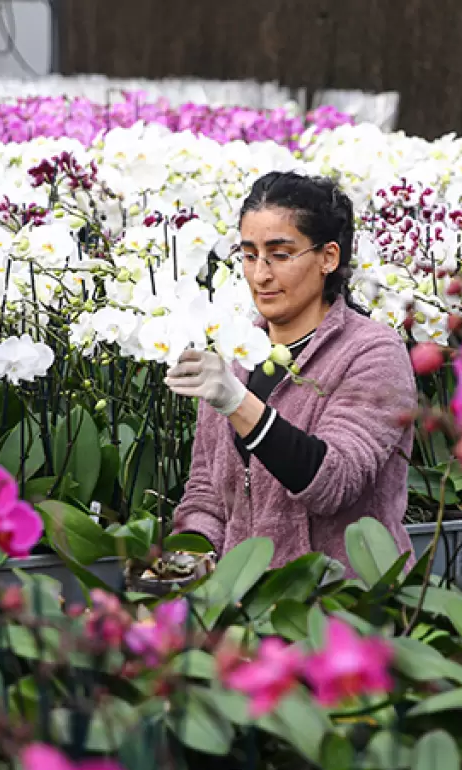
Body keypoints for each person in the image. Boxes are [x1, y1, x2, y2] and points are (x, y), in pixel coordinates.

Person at [165, 171, 416, 573]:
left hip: (342, 608)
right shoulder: (235, 354)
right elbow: (206, 494)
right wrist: (190, 559)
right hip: (243, 607)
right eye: (249, 255)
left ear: (328, 258)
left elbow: (336, 483)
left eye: (280, 255)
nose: (260, 275)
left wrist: (237, 403)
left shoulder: (373, 353)